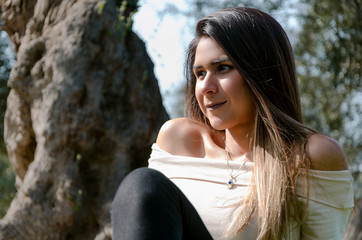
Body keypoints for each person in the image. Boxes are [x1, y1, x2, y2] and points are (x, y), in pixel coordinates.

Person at [111, 7, 354, 240]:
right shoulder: (179, 141)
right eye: (200, 74)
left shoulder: (310, 156)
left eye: (223, 68)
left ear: (260, 73)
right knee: (142, 186)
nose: (206, 87)